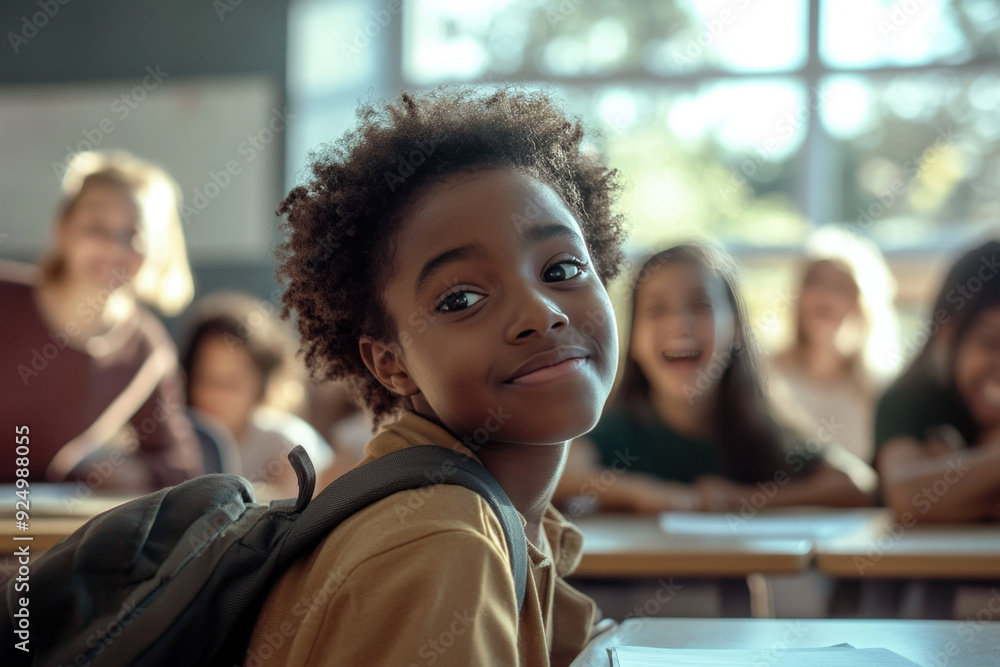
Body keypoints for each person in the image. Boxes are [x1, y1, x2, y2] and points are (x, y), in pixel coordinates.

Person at [245, 85, 629, 666]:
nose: (541, 314)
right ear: (390, 363)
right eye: (462, 299)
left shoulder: (505, 512)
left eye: (563, 267)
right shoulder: (442, 540)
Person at [554, 241, 876, 515]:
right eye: (656, 309)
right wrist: (641, 492)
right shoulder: (620, 429)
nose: (679, 324)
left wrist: (743, 500)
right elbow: (557, 479)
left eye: (700, 306)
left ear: (736, 330)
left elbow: (858, 484)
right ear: (633, 340)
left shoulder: (761, 427)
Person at [0, 150, 202, 491]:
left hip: (33, 531)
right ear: (62, 231)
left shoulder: (146, 348)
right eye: (96, 227)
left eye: (133, 233)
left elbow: (182, 469)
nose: (113, 247)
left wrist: (126, 474)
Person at [875, 238, 1000, 522]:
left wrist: (958, 482)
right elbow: (908, 498)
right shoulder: (910, 400)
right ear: (947, 333)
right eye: (991, 343)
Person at [180, 290, 334, 499]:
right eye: (207, 378)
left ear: (262, 383)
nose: (218, 394)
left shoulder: (286, 445)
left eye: (233, 383)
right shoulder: (177, 441)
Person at [769, 227, 901, 463]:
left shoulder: (880, 392)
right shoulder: (763, 374)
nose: (824, 295)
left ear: (862, 304)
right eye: (815, 281)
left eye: (840, 286)